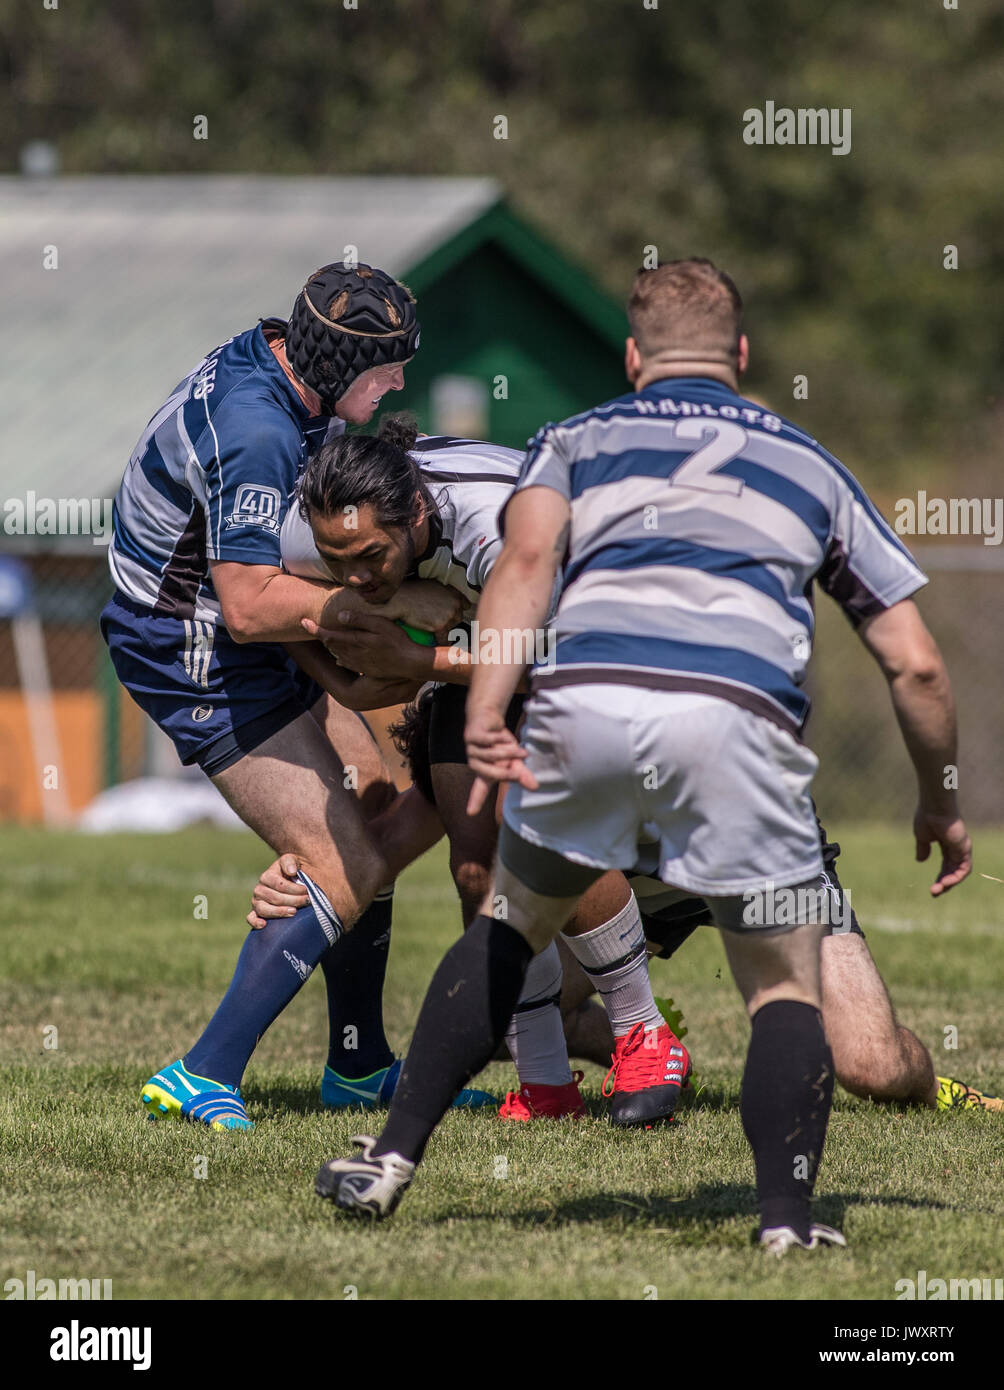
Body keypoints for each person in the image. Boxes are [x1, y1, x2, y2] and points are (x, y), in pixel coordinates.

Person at [313, 258, 973, 1252]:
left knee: (503, 930)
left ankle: (388, 1159)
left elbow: (523, 570)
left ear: (631, 359)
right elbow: (914, 668)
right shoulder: (807, 463)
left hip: (588, 716)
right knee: (778, 988)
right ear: (741, 357)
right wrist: (939, 800)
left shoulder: (568, 442)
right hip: (734, 736)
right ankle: (785, 1226)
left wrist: (485, 707)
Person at [101, 262, 460, 1130]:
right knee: (345, 861)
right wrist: (387, 605)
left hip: (225, 624)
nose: (400, 383)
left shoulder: (280, 365)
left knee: (374, 803)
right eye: (388, 368)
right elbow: (253, 605)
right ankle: (201, 1072)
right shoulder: (259, 426)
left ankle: (358, 1063)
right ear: (337, 369)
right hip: (189, 647)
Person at [272, 418, 692, 1126]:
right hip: (488, 644)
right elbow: (259, 608)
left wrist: (417, 663)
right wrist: (340, 668)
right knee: (475, 866)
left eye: (372, 557)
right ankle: (544, 1084)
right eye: (336, 561)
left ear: (416, 514)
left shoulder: (501, 523)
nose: (355, 578)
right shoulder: (313, 531)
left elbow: (558, 663)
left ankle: (643, 1032)